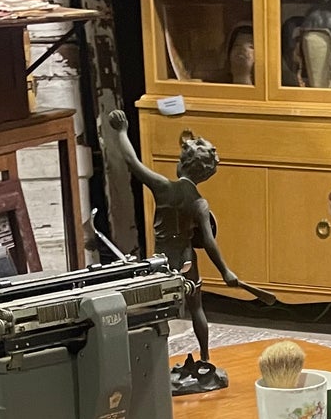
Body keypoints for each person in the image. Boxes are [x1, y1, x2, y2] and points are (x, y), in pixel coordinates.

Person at [106, 108, 272, 393]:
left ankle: (154, 362)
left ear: (182, 164)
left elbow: (131, 161)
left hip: (160, 262)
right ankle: (205, 357)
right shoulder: (199, 203)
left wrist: (121, 132)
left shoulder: (163, 187)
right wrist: (225, 271)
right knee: (196, 308)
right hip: (185, 263)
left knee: (157, 312)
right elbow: (208, 242)